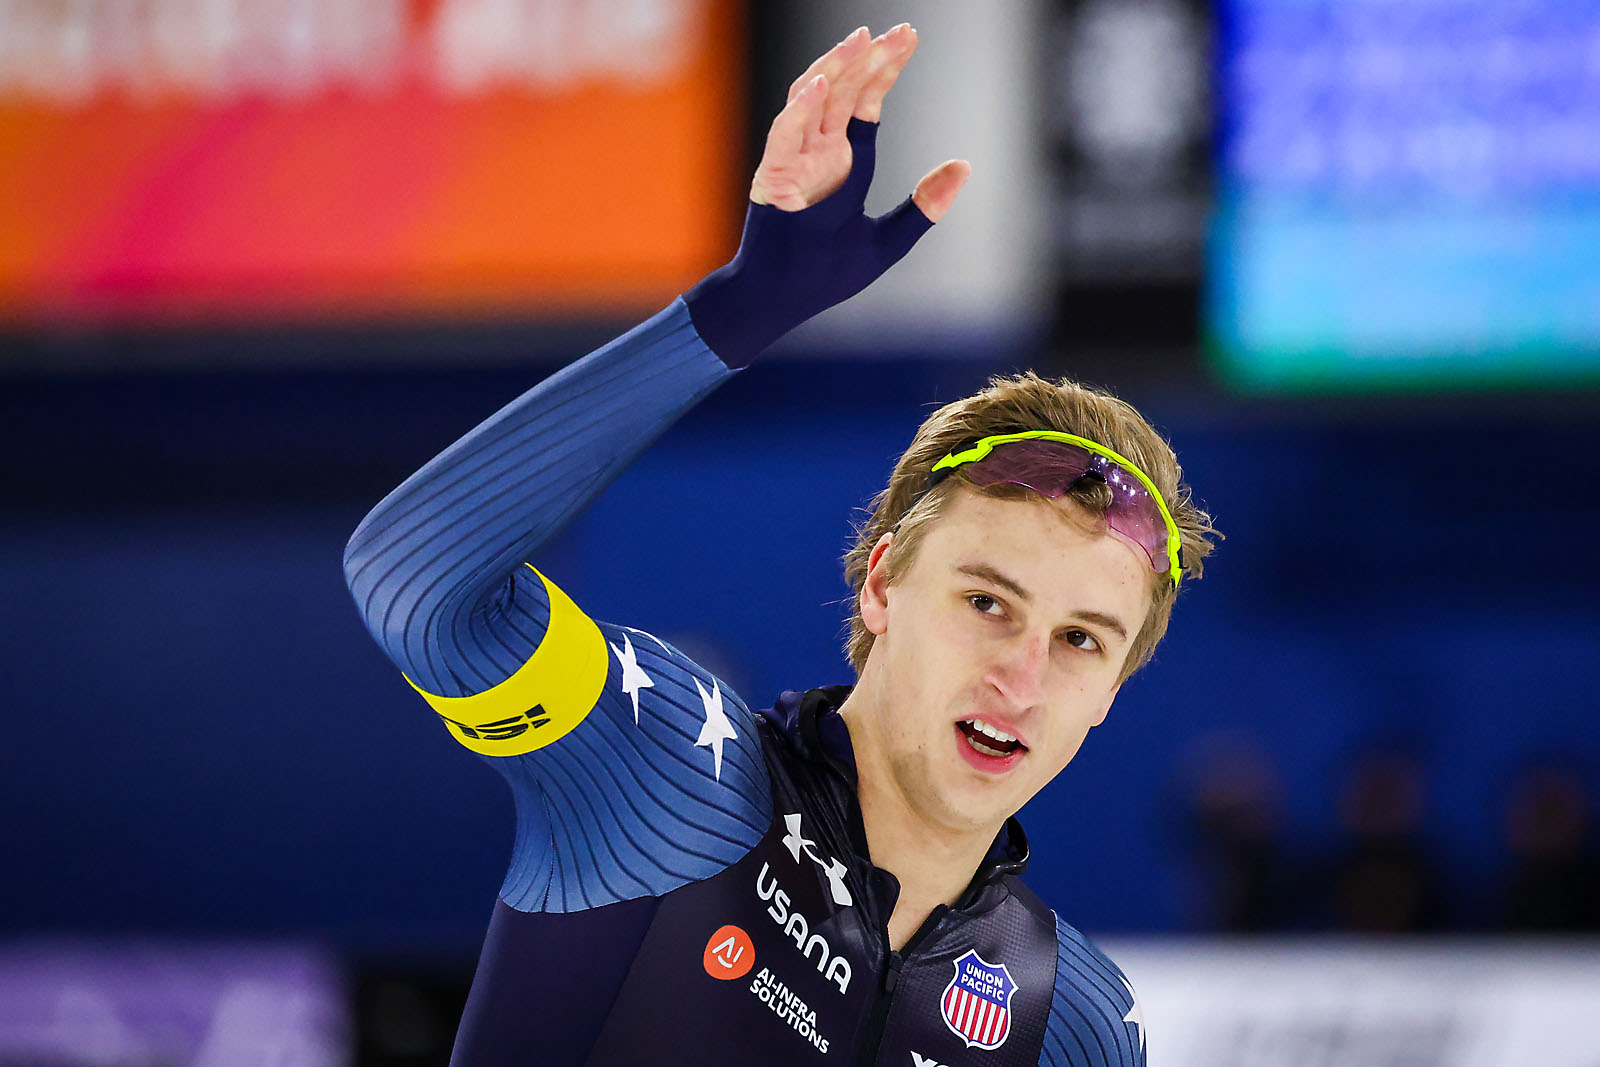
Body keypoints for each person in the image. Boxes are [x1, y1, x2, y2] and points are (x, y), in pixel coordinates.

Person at [345, 24, 1213, 1066]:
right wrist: (741, 311)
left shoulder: (1070, 1022)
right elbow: (415, 584)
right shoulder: (674, 776)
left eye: (1080, 640)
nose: (1019, 678)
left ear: (1115, 685)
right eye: (987, 601)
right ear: (883, 583)